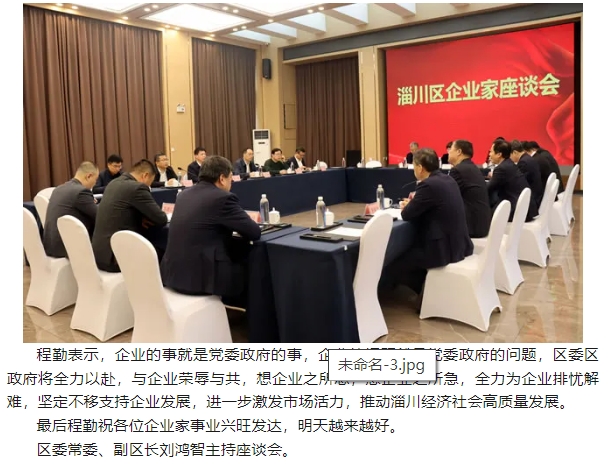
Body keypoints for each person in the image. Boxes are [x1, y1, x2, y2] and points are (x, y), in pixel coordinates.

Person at [161, 155, 261, 303]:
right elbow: (254, 232)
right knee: (254, 263)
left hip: (172, 275)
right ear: (222, 178)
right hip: (202, 280)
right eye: (230, 178)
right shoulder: (222, 198)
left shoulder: (183, 195)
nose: (231, 182)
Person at [388, 148, 473, 305]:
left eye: (414, 166)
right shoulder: (448, 179)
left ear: (420, 168)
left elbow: (407, 215)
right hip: (458, 243)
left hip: (442, 249)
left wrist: (409, 206)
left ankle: (426, 295)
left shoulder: (427, 185)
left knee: (394, 262)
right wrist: (414, 204)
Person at [92, 159, 167, 272]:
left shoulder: (114, 183)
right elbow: (161, 219)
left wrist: (140, 218)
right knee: (164, 254)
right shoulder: (137, 188)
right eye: (149, 183)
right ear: (145, 176)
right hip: (116, 257)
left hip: (99, 253)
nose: (149, 187)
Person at [43, 161, 99, 258]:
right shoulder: (81, 192)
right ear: (89, 176)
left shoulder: (59, 189)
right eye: (95, 180)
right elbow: (99, 216)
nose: (95, 183)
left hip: (50, 245)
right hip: (66, 246)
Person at [447, 140, 491, 238]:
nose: (448, 152)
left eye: (451, 149)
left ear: (459, 152)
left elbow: (446, 197)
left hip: (471, 226)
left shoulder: (458, 170)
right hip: (481, 223)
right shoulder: (472, 167)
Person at [487, 139, 538, 222]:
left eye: (491, 152)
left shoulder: (501, 168)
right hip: (526, 209)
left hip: (517, 210)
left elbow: (488, 188)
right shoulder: (509, 164)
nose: (489, 154)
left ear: (499, 154)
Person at [510, 140, 543, 209]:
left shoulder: (523, 162)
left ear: (515, 152)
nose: (510, 158)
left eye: (509, 155)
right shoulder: (527, 158)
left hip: (532, 201)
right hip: (536, 196)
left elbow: (519, 183)